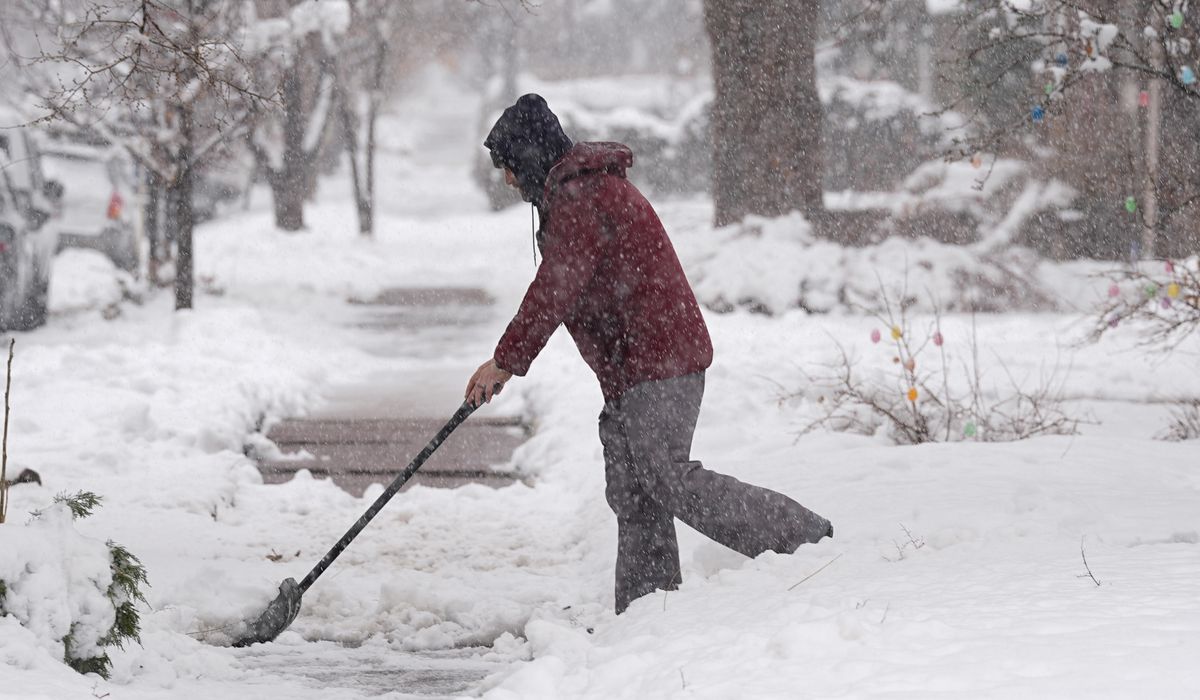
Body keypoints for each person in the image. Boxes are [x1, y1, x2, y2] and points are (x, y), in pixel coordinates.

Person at [465, 94, 832, 614]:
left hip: (661, 359)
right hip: (633, 368)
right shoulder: (575, 193)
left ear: (527, 155)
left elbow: (555, 288)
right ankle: (647, 612)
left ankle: (806, 539)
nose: (506, 180)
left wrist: (504, 360)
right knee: (634, 490)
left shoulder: (582, 198)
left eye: (507, 166)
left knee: (664, 475)